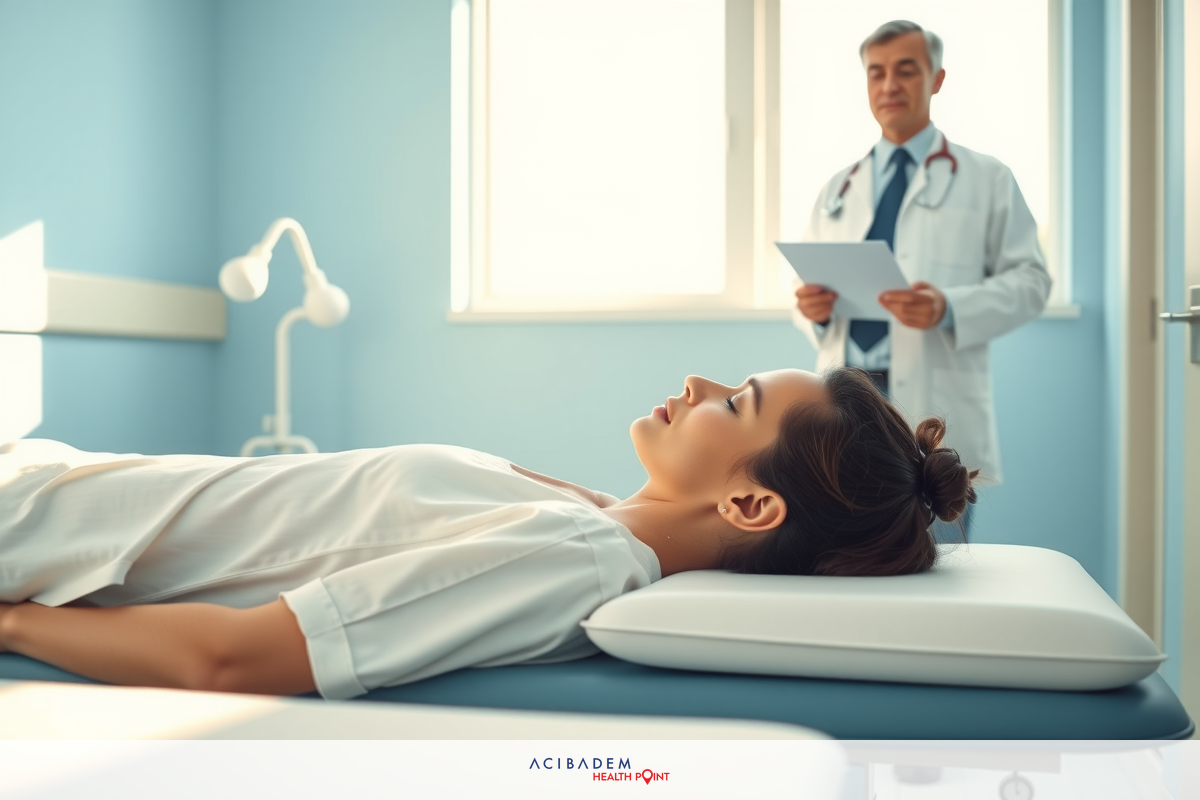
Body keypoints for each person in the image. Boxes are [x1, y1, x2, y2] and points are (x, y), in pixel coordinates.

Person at [0, 367, 975, 699]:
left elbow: (231, 658)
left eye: (737, 400)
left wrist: (10, 625)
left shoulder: (576, 558)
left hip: (29, 532)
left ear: (753, 506)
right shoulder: (596, 516)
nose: (696, 384)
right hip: (47, 482)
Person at [792, 21, 1051, 538]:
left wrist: (949, 308)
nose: (889, 85)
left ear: (936, 79)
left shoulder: (987, 179)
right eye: (877, 73)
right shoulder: (836, 189)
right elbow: (805, 295)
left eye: (906, 71)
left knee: (932, 557)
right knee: (843, 547)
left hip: (932, 402)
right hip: (849, 399)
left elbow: (1032, 282)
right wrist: (812, 312)